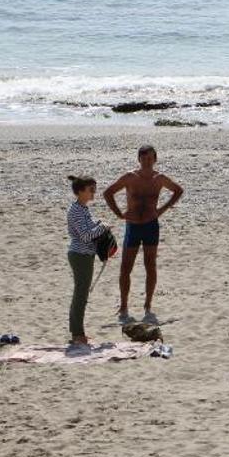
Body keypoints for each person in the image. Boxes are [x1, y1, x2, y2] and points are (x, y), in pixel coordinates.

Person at [103, 145, 183, 324]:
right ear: (138, 159)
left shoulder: (159, 178)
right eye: (144, 158)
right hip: (133, 226)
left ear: (155, 159)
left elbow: (178, 190)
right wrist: (119, 213)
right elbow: (108, 193)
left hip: (151, 226)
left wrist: (162, 209)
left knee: (150, 265)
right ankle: (124, 307)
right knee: (126, 267)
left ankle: (148, 305)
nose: (147, 161)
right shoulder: (130, 177)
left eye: (150, 158)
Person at [66, 175, 110, 345]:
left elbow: (90, 227)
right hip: (80, 256)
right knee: (80, 295)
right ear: (80, 191)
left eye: (94, 189)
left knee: (82, 294)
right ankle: (77, 334)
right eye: (90, 189)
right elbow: (85, 236)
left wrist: (100, 225)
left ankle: (78, 333)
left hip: (85, 255)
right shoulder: (76, 210)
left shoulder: (82, 208)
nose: (94, 192)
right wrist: (102, 227)